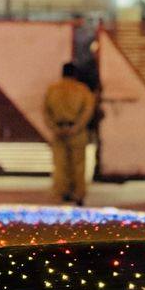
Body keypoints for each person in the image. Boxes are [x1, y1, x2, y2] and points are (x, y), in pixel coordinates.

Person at [44, 61, 97, 205]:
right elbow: (88, 111)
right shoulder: (82, 90)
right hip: (77, 132)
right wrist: (76, 127)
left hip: (58, 131)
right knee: (78, 164)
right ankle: (78, 194)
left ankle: (63, 193)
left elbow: (45, 111)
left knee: (60, 164)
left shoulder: (52, 89)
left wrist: (55, 128)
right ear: (75, 74)